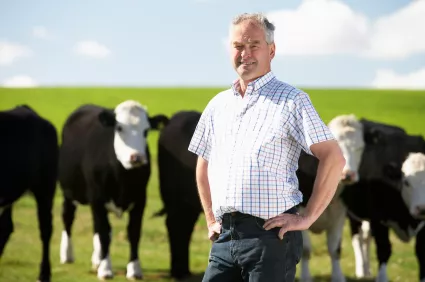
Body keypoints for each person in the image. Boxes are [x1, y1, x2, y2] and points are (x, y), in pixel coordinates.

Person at [188, 12, 346, 282]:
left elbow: (334, 157)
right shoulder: (217, 105)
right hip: (225, 238)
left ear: (271, 51)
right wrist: (211, 218)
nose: (245, 53)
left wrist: (306, 218)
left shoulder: (292, 100)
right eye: (238, 46)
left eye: (254, 45)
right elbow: (203, 165)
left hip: (271, 238)